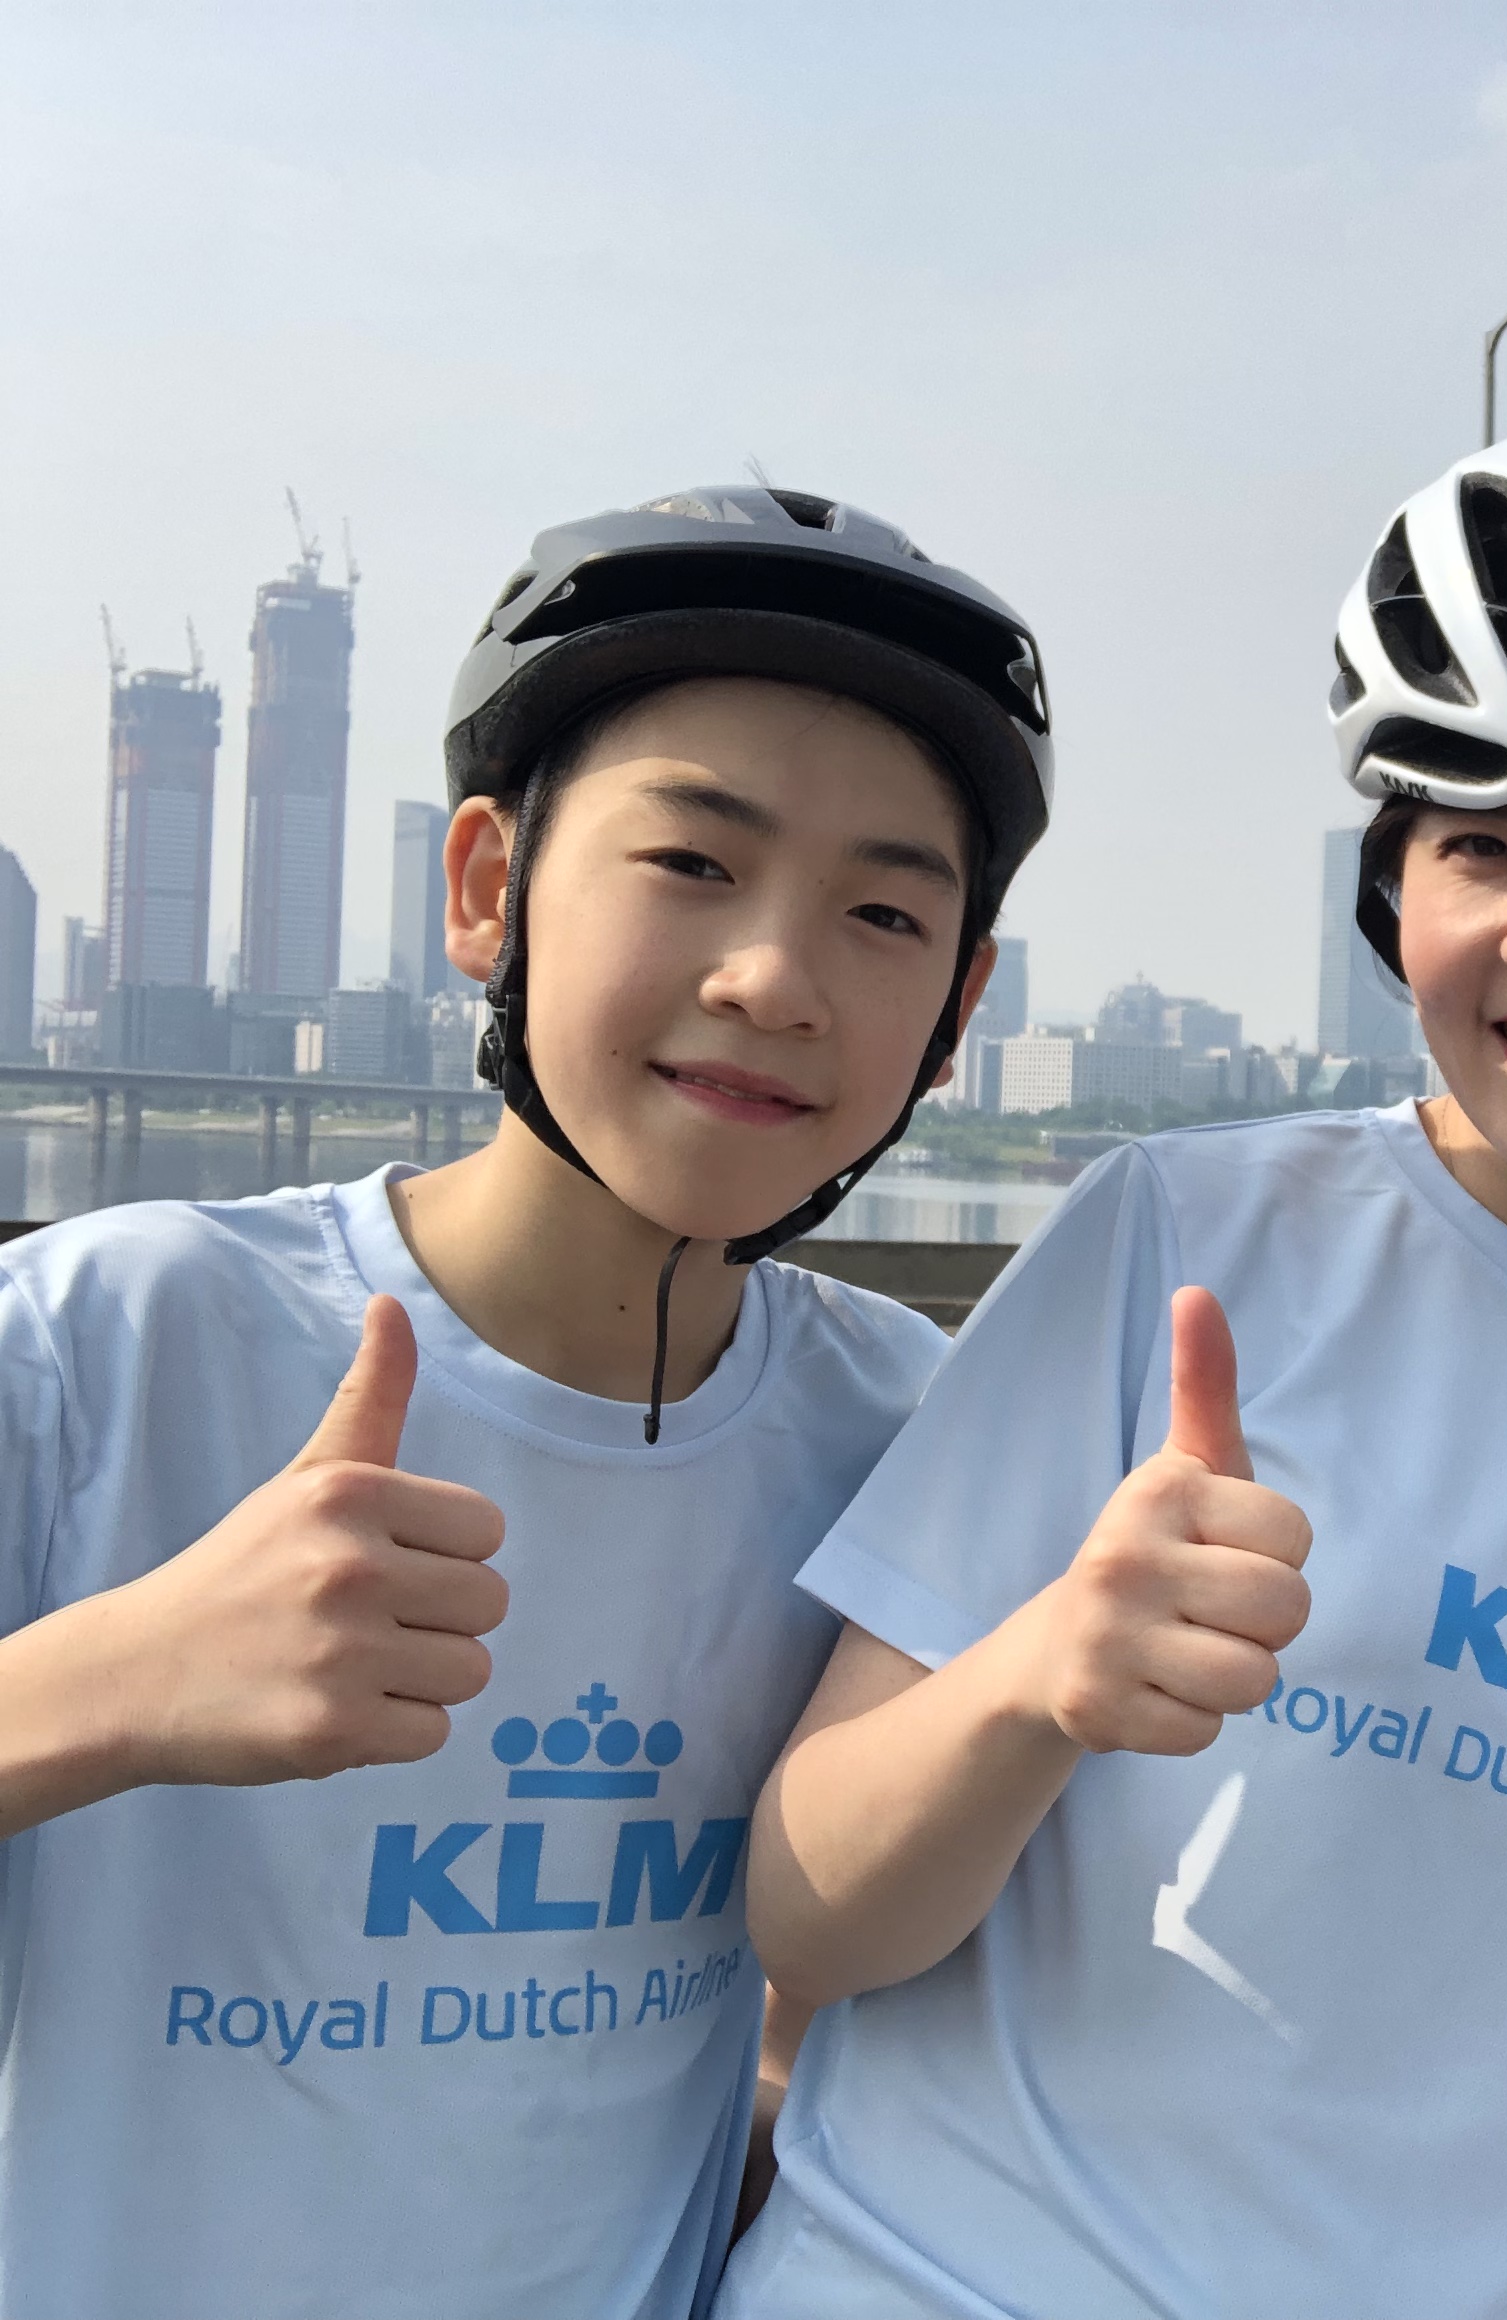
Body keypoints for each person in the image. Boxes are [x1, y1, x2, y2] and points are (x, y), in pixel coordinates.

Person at [717, 416, 1507, 2320]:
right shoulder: (1181, 1236)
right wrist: (1043, 1679)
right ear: (1397, 898)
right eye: (1482, 845)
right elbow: (806, 1918)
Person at [0, 485, 1055, 2319]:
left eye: (885, 911)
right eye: (693, 863)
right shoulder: (116, 1340)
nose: (774, 979)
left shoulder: (912, 1430)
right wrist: (106, 1686)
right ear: (489, 888)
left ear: (958, 1009)